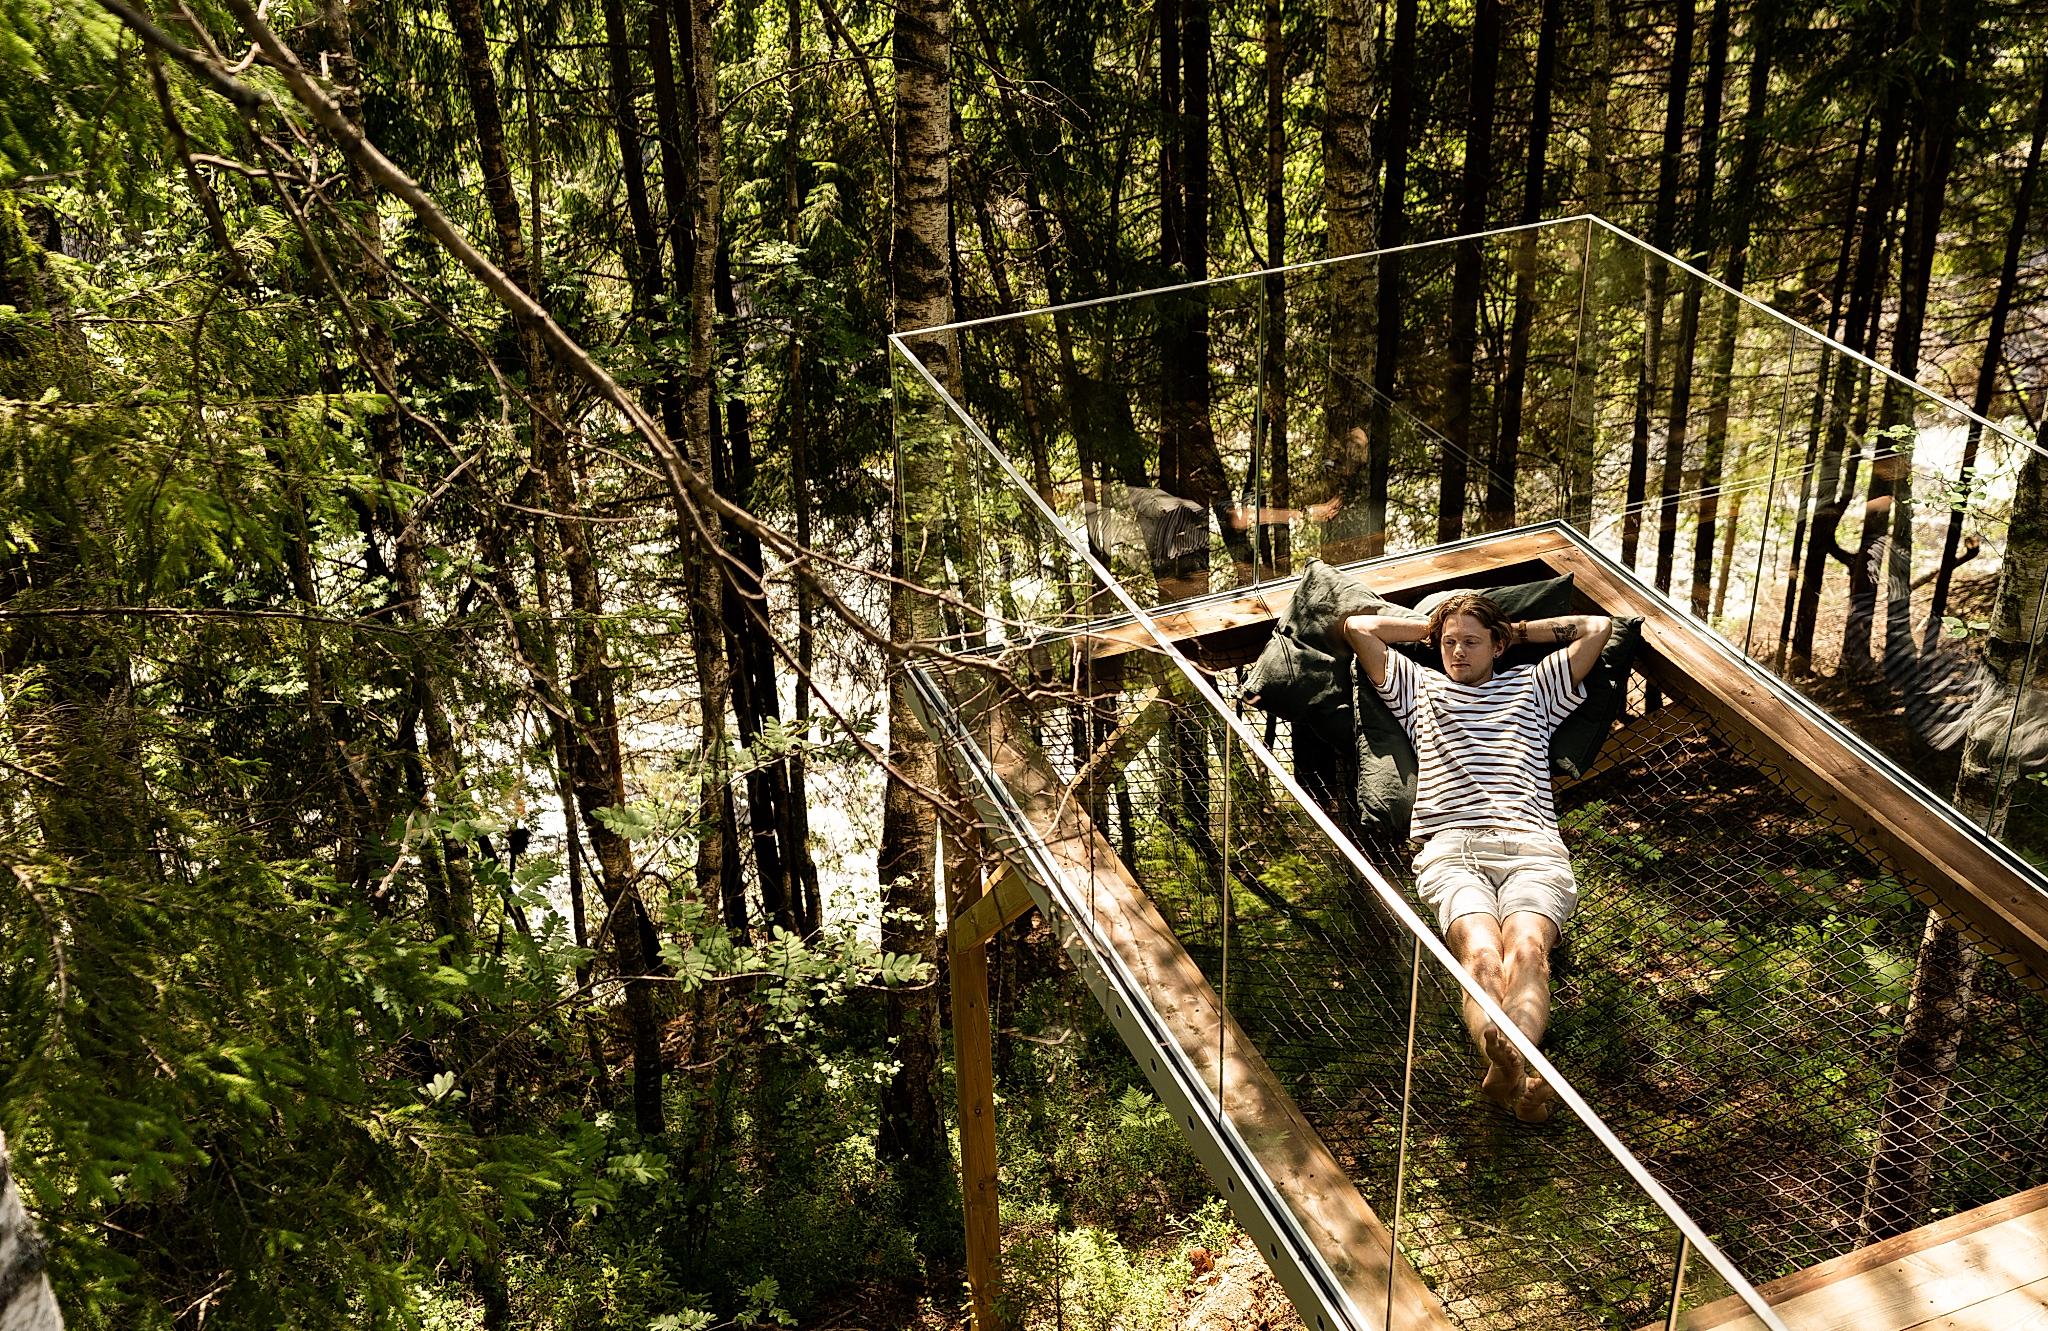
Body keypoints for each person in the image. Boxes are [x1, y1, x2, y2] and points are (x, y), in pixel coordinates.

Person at [1341, 592, 1612, 1122]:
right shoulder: (1420, 687)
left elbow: (1596, 629)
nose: (1457, 652)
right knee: (1482, 955)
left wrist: (1515, 629)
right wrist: (1428, 627)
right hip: (1452, 848)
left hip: (1531, 845)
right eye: (1449, 644)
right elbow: (1357, 628)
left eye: (1470, 642)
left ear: (1496, 646)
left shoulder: (1535, 687)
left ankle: (1508, 1067)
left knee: (1528, 949)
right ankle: (1511, 1058)